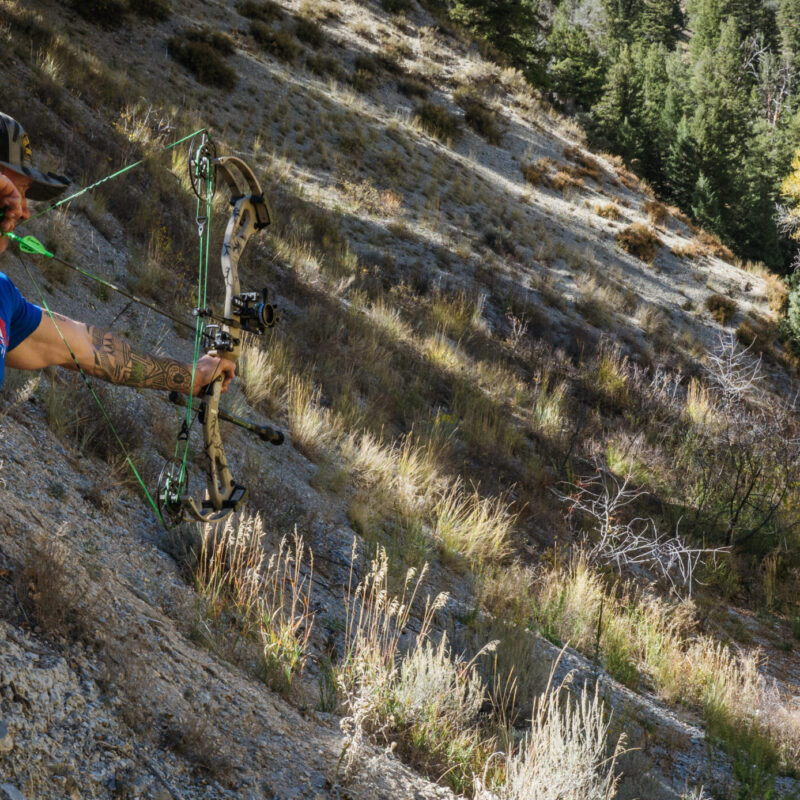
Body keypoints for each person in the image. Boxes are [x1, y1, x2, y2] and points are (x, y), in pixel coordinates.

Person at [0, 112, 234, 396]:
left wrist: (193, 377)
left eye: (22, 193)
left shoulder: (4, 296)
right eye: (7, 190)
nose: (22, 210)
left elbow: (86, 346)